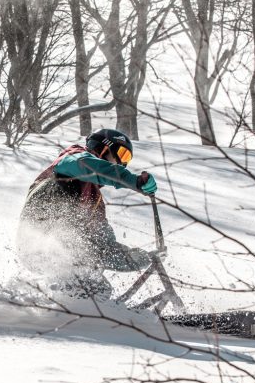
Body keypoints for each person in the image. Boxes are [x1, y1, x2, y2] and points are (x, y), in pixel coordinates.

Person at [17, 128, 159, 300]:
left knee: (99, 288)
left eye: (127, 159)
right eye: (122, 154)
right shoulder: (72, 159)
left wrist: (144, 258)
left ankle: (90, 321)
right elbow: (91, 167)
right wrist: (132, 180)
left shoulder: (94, 200)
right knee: (97, 291)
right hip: (41, 245)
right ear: (104, 148)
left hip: (67, 255)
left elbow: (105, 246)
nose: (123, 163)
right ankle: (83, 322)